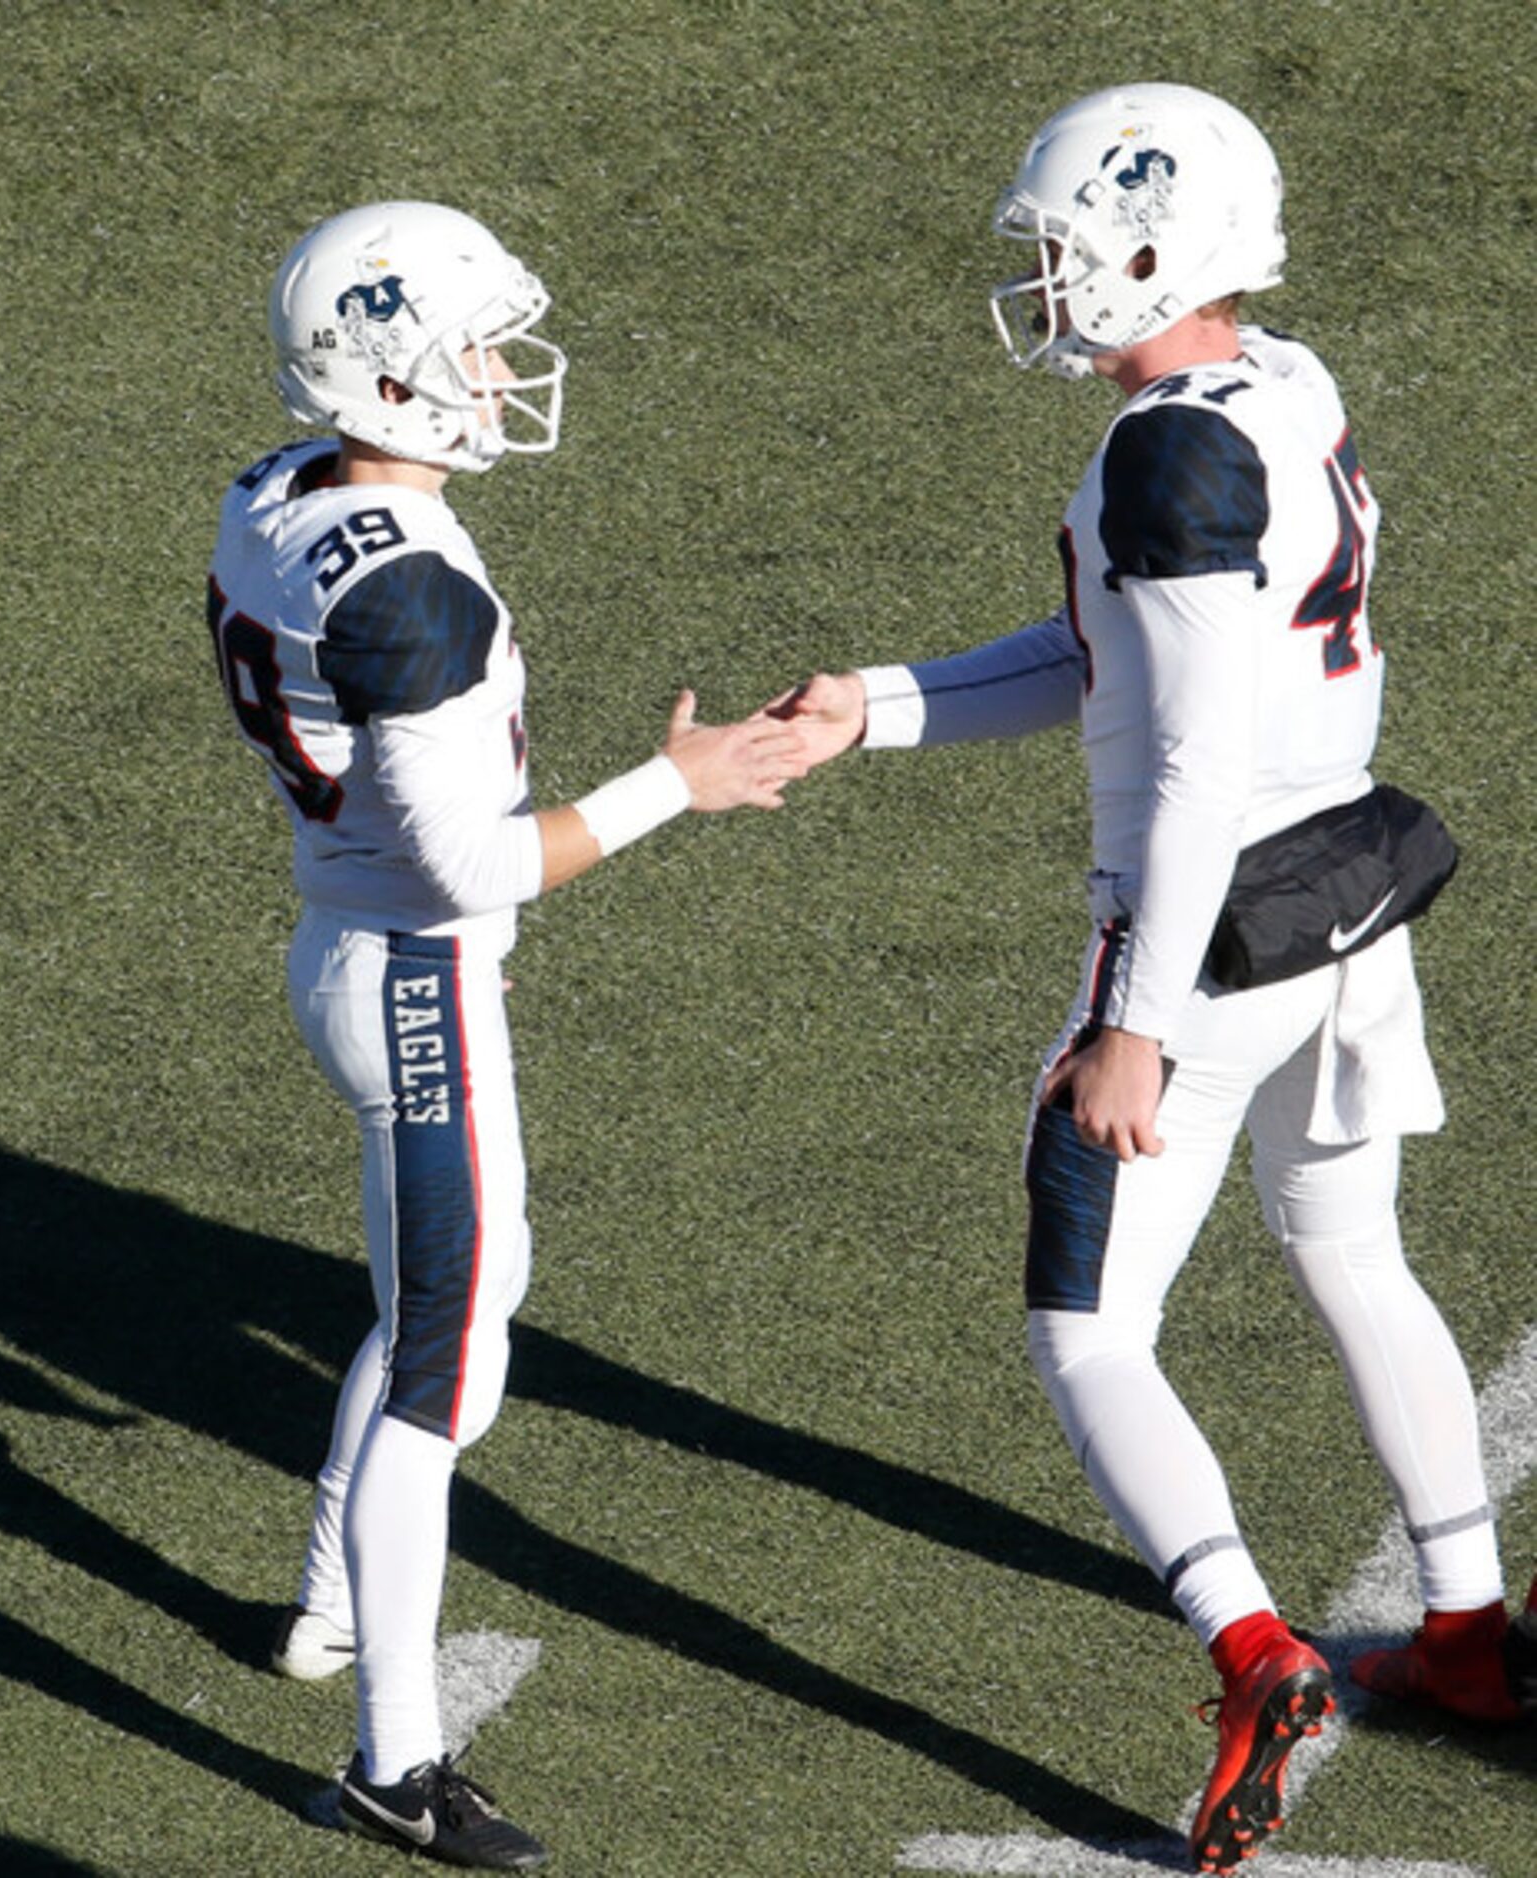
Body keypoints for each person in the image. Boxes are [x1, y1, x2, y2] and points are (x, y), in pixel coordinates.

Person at [764, 82, 1535, 1873]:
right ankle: (1466, 1633)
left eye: (1059, 243)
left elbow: (1181, 762)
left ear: (1146, 246)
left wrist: (1131, 1022)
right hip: (1346, 876)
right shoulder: (1277, 385)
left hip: (1215, 921)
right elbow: (1112, 649)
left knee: (1087, 1324)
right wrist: (865, 709)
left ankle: (1255, 1654)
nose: (1039, 275)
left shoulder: (1164, 451)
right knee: (1351, 1248)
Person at [208, 200, 804, 1868]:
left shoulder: (276, 491)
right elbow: (464, 856)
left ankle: (330, 1603)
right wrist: (675, 786)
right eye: (468, 346)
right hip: (409, 964)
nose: (495, 372)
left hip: (368, 935)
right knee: (445, 1364)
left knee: (442, 1316)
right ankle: (393, 1758)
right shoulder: (410, 599)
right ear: (389, 373)